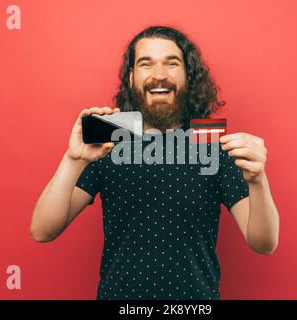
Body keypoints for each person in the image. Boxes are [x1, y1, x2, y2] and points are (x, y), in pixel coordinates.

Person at [29, 26, 280, 300]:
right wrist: (72, 160)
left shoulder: (212, 146)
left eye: (171, 64)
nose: (159, 75)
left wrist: (258, 180)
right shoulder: (106, 144)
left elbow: (264, 243)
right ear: (132, 77)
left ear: (188, 75)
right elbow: (42, 230)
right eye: (146, 63)